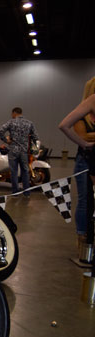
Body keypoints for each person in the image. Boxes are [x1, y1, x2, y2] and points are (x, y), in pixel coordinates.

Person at [68, 78, 95, 245]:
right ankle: (82, 236)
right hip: (85, 161)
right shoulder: (82, 116)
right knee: (85, 200)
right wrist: (87, 139)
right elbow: (82, 136)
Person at [0, 107, 39, 197]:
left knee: (14, 172)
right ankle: (26, 192)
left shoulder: (11, 122)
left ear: (14, 113)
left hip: (13, 150)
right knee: (25, 171)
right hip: (24, 151)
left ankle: (15, 193)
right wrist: (32, 149)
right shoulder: (29, 123)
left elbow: (0, 131)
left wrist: (6, 141)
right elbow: (35, 137)